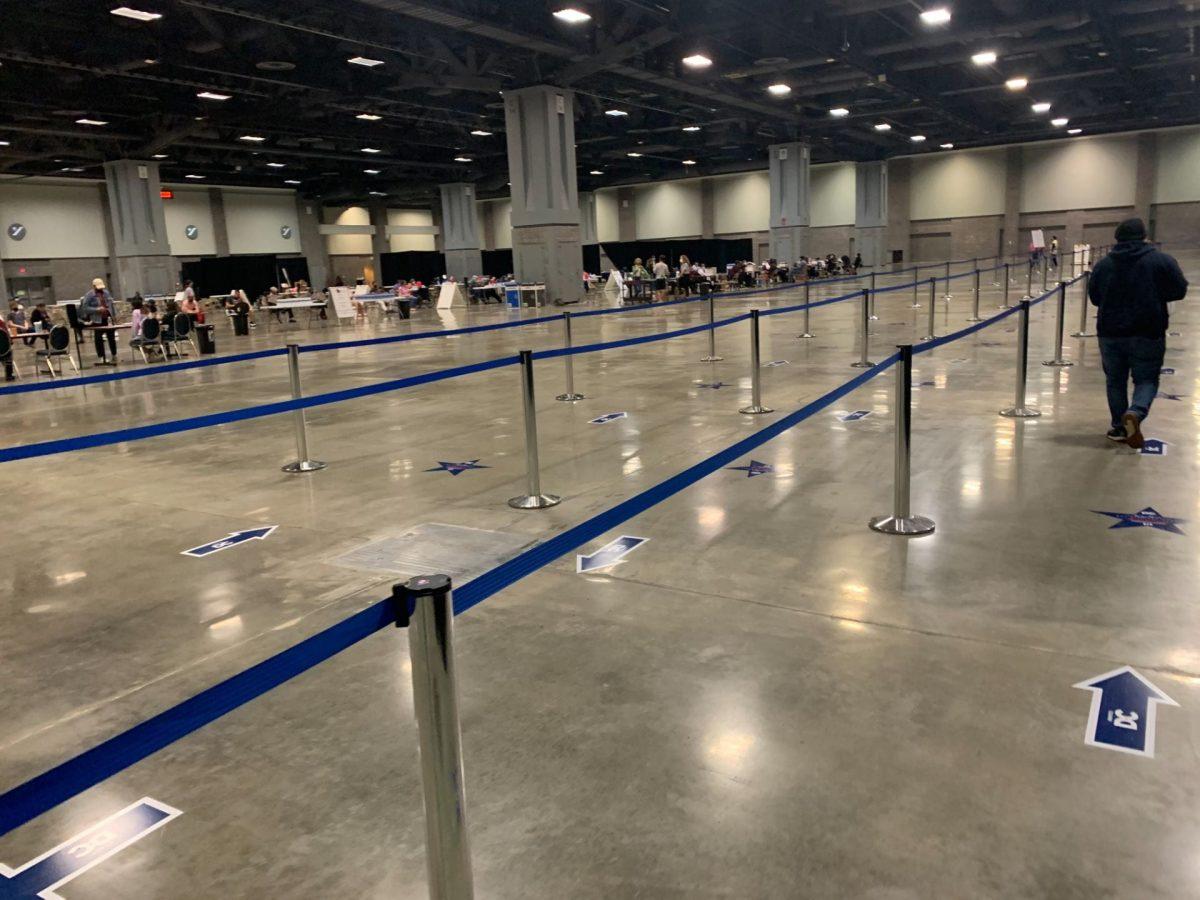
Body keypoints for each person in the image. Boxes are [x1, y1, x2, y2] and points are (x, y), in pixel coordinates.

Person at [1088, 218, 1188, 447]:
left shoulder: (1103, 266)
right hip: (1148, 331)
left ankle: (1119, 427)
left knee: (1115, 380)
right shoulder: (1161, 261)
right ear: (1144, 236)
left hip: (1110, 333)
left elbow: (1095, 298)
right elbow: (1179, 290)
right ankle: (1136, 412)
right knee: (1146, 379)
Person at [79, 277, 119, 363]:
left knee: (111, 337)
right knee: (98, 338)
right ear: (94, 286)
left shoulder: (106, 293)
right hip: (97, 320)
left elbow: (111, 304)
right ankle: (101, 356)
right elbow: (85, 308)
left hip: (107, 318)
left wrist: (114, 315)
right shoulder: (89, 295)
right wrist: (97, 309)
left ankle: (114, 354)